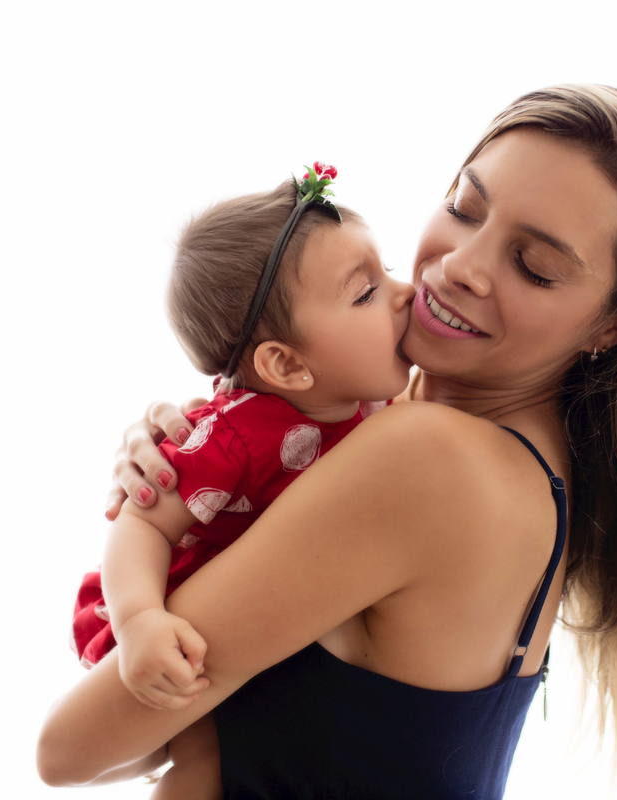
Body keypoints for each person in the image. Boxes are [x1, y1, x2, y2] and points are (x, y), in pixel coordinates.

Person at [38, 84, 617, 798]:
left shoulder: (427, 459)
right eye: (465, 207)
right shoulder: (527, 466)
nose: (460, 265)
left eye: (535, 266)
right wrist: (202, 441)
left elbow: (68, 752)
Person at [70, 166, 415, 799]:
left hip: (274, 621)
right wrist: (143, 618)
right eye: (365, 293)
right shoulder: (234, 435)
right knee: (208, 748)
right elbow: (141, 520)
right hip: (179, 609)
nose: (404, 292)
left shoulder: (377, 404)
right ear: (285, 363)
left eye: (387, 267)